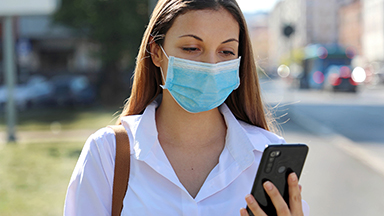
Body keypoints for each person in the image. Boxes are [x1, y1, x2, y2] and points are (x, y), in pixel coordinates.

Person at [63, 0, 310, 215]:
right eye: (192, 48)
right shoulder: (107, 153)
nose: (211, 65)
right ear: (156, 52)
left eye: (226, 51)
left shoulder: (268, 156)